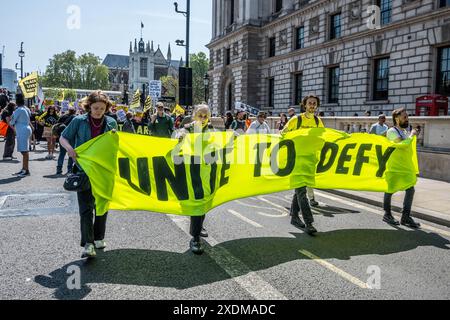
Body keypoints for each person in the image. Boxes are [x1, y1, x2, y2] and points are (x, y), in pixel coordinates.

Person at [59, 91, 118, 259]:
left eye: (102, 108)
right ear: (88, 107)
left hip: (104, 171)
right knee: (86, 208)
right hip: (83, 170)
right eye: (95, 108)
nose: (99, 111)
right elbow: (63, 138)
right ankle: (88, 243)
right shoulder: (78, 121)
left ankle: (99, 238)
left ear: (107, 107)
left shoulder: (112, 123)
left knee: (102, 206)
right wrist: (69, 149)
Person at [281, 95, 325, 235]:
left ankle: (294, 217)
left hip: (310, 160)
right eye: (309, 103)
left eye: (314, 103)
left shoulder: (318, 121)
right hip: (296, 160)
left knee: (300, 189)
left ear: (317, 106)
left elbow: (323, 138)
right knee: (301, 191)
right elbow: (283, 134)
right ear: (304, 105)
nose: (312, 105)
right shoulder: (296, 119)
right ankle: (309, 222)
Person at [179, 105, 214, 255]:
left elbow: (219, 141)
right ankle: (195, 237)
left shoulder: (211, 129)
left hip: (206, 170)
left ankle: (199, 226)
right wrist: (180, 137)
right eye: (200, 115)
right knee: (197, 198)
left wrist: (232, 138)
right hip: (191, 170)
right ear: (194, 116)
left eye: (205, 116)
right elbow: (179, 134)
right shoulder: (188, 128)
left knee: (204, 199)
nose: (203, 118)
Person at [382, 108, 421, 229]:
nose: (407, 119)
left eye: (407, 117)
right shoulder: (392, 132)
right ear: (397, 118)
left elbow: (408, 145)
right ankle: (387, 214)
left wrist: (412, 136)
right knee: (390, 190)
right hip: (394, 167)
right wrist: (412, 135)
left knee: (410, 190)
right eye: (405, 117)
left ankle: (405, 217)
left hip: (405, 167)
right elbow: (403, 146)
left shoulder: (404, 131)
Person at [9, 94, 33, 177]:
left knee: (24, 151)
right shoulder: (26, 108)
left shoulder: (18, 110)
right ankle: (24, 169)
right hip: (26, 129)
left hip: (22, 130)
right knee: (25, 151)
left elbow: (11, 122)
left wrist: (11, 118)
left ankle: (26, 170)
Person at [55, 107, 76, 175]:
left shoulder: (62, 117)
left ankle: (59, 169)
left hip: (63, 136)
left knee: (62, 153)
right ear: (74, 112)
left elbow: (56, 126)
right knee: (71, 153)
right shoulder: (75, 118)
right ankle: (69, 169)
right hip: (72, 137)